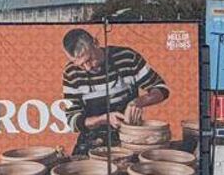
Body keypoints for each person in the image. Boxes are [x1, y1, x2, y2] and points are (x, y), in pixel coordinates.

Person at [60, 27, 171, 156]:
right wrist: (103, 119)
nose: (88, 67)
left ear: (96, 43)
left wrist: (138, 102)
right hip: (91, 140)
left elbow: (161, 88)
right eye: (80, 64)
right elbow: (73, 120)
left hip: (129, 137)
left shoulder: (127, 57)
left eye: (89, 59)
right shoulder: (71, 73)